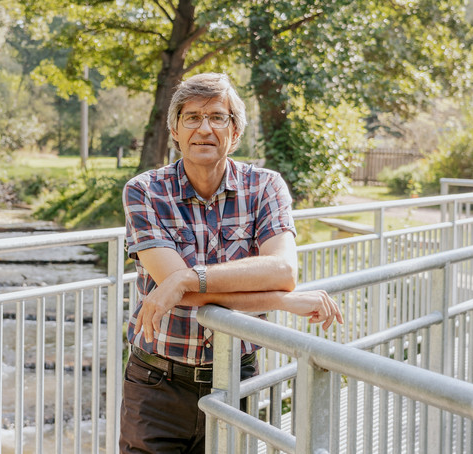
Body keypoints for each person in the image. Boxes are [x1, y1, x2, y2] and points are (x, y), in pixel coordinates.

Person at [120, 72, 343, 454]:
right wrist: (280, 301)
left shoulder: (266, 187)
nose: (204, 128)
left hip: (237, 380)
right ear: (175, 129)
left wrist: (190, 277)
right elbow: (177, 294)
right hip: (157, 384)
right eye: (192, 117)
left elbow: (283, 271)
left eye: (217, 117)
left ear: (235, 132)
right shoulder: (144, 191)